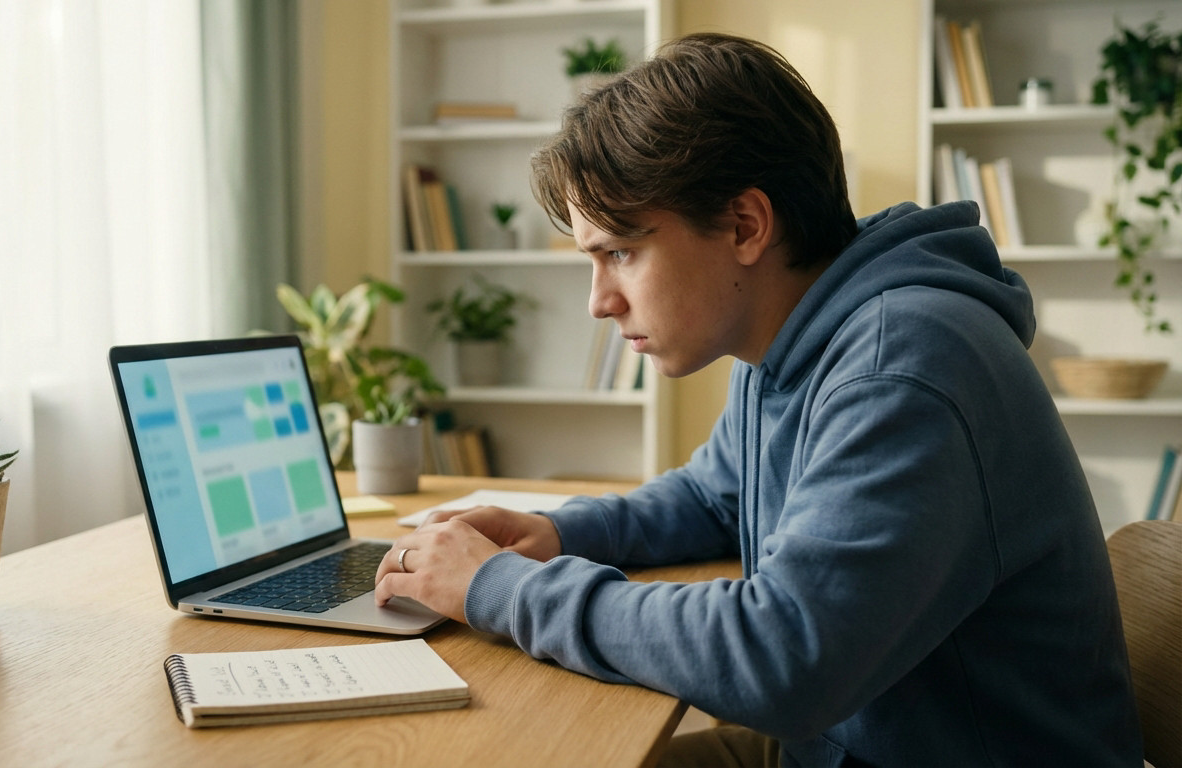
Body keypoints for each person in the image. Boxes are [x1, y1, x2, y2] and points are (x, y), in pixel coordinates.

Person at [374, 32, 1142, 767]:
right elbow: (716, 498)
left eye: (620, 253)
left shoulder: (902, 368)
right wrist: (554, 532)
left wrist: (496, 587)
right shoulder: (795, 331)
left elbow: (783, 656)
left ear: (744, 224)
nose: (599, 302)